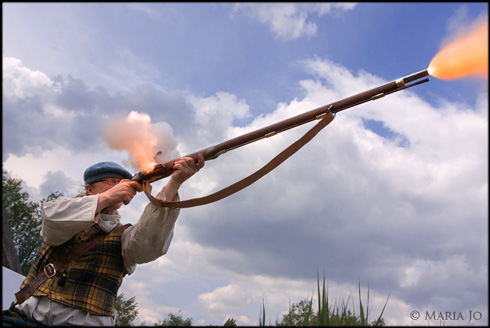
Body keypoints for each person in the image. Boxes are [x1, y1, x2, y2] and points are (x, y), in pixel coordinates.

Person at [5, 154, 204, 326]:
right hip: (28, 319)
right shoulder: (64, 211)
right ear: (90, 190)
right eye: (110, 181)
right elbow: (51, 218)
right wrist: (107, 198)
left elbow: (149, 245)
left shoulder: (124, 236)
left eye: (122, 182)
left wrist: (174, 183)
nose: (118, 185)